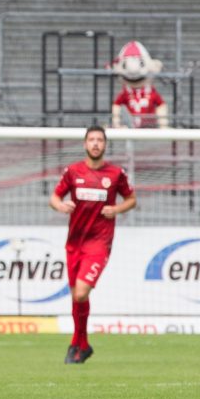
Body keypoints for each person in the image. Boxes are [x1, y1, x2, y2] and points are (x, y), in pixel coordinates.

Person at [50, 125, 136, 364]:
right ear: (85, 144)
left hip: (99, 243)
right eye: (92, 139)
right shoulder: (73, 172)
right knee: (76, 297)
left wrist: (116, 209)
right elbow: (54, 197)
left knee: (81, 292)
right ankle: (81, 344)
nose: (96, 143)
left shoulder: (116, 174)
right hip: (74, 242)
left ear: (105, 145)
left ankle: (79, 342)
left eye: (100, 140)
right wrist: (60, 205)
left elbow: (131, 199)